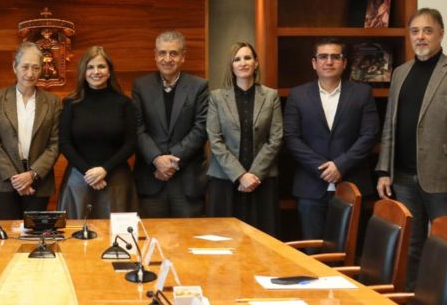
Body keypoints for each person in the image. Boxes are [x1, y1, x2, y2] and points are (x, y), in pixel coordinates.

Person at [376, 8, 447, 291]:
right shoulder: (400, 73)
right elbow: (390, 124)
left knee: (445, 246)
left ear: (441, 34)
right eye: (415, 31)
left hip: (442, 178)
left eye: (427, 30)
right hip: (403, 177)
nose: (420, 37)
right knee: (409, 245)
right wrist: (385, 171)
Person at [283, 37, 379, 242]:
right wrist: (323, 168)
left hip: (352, 184)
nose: (329, 61)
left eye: (335, 57)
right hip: (310, 186)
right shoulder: (298, 95)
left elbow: (369, 135)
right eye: (323, 57)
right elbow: (292, 138)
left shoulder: (362, 93)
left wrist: (340, 165)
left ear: (344, 63)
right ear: (314, 63)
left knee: (348, 251)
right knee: (313, 252)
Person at [206, 42, 283, 236]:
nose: (243, 63)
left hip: (262, 179)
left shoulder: (271, 96)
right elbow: (215, 140)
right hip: (225, 179)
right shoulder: (217, 97)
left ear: (256, 63)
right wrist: (241, 175)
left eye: (248, 58)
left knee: (263, 240)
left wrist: (254, 175)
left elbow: (276, 138)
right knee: (223, 239)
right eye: (237, 59)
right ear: (231, 66)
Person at [132, 30, 208, 218]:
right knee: (151, 240)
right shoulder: (141, 86)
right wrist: (157, 159)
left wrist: (171, 161)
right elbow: (137, 128)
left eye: (173, 53)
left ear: (183, 56)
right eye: (162, 53)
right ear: (155, 56)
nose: (167, 58)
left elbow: (200, 129)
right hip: (151, 179)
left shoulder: (199, 86)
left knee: (189, 241)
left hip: (187, 181)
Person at [0, 42, 62, 219]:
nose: (30, 73)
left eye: (35, 68)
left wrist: (32, 174)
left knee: (33, 235)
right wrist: (15, 177)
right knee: (8, 236)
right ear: (14, 67)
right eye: (25, 67)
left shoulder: (52, 102)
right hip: (2, 181)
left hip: (39, 182)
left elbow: (55, 143)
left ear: (41, 69)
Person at [58, 46, 137, 219]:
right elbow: (64, 143)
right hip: (79, 179)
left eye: (101, 66)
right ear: (83, 72)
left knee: (119, 238)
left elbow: (131, 143)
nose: (96, 72)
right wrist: (89, 172)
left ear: (109, 71)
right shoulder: (71, 103)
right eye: (90, 67)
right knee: (76, 238)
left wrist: (104, 170)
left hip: (117, 179)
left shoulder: (124, 103)